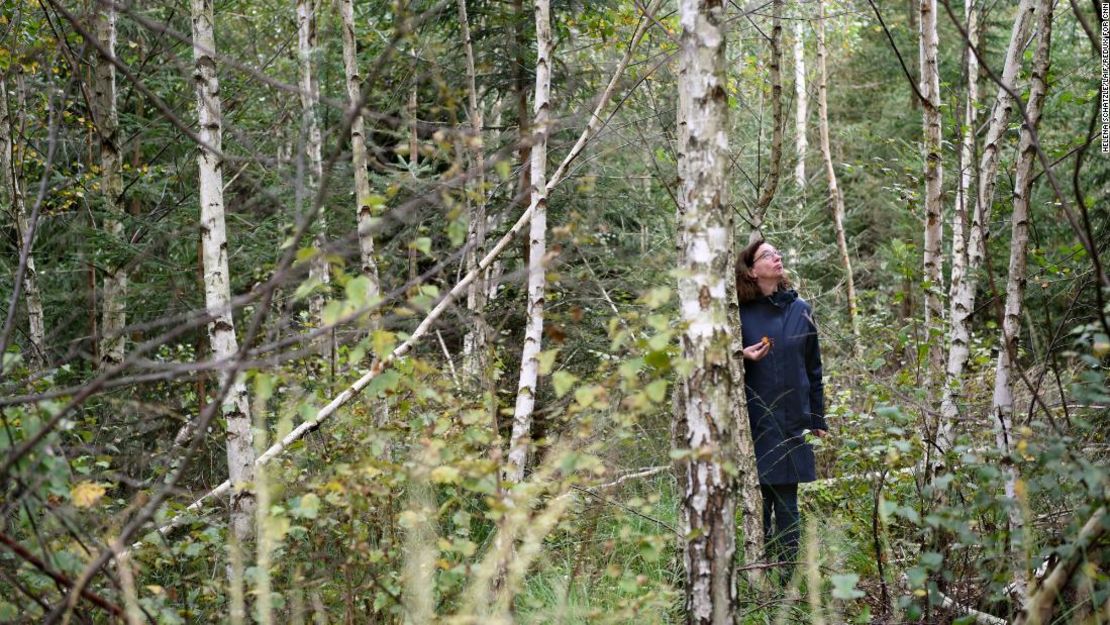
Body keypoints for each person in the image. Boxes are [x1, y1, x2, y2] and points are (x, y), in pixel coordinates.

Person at [735, 238, 828, 573]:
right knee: (757, 504)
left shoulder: (801, 309)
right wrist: (740, 356)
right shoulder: (738, 313)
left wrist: (817, 416)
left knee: (788, 505)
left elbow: (814, 368)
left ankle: (787, 585)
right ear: (751, 270)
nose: (778, 257)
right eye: (768, 255)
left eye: (778, 252)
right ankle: (756, 579)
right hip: (753, 422)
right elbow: (716, 363)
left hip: (792, 421)